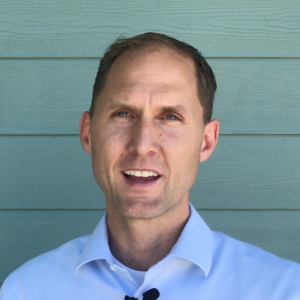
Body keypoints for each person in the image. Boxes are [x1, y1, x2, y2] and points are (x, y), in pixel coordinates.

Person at [0, 32, 299, 300]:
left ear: (206, 142)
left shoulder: (283, 289)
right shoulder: (27, 290)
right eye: (123, 114)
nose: (142, 144)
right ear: (88, 133)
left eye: (170, 117)